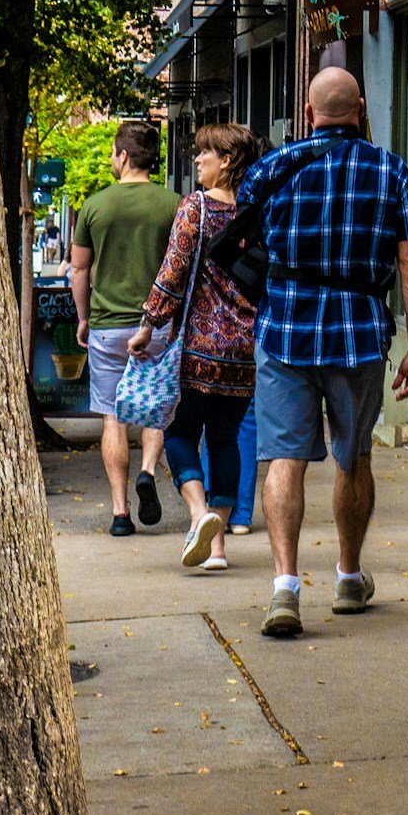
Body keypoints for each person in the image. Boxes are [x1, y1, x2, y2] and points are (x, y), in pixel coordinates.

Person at [231, 65, 408, 638]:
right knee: (353, 454)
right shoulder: (391, 171)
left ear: (309, 114)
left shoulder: (270, 170)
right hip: (358, 332)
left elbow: (245, 246)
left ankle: (285, 588)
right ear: (361, 109)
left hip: (285, 331)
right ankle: (347, 576)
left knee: (283, 460)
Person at [130, 122, 260, 572]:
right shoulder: (256, 212)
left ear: (226, 160)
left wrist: (148, 324)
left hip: (199, 351)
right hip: (245, 352)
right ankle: (217, 549)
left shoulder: (196, 209)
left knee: (179, 434)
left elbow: (173, 272)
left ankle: (198, 513)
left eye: (205, 153)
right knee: (226, 440)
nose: (198, 159)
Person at [72, 118, 178, 536]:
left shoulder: (96, 206)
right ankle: (148, 471)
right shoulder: (173, 205)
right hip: (157, 326)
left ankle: (120, 514)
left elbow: (79, 270)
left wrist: (83, 318)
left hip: (106, 327)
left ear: (123, 155)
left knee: (113, 418)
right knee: (155, 408)